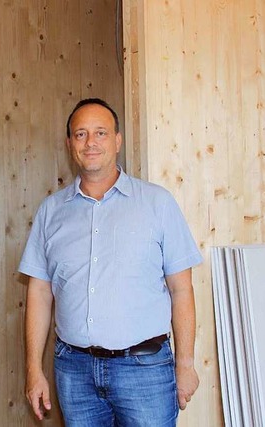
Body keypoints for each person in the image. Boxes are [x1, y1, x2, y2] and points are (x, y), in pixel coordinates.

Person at [19, 98, 202, 426]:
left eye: (101, 133)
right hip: (73, 371)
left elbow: (182, 290)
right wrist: (34, 368)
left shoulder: (157, 203)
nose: (91, 142)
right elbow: (39, 293)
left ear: (117, 140)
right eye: (81, 134)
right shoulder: (51, 211)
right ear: (69, 144)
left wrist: (186, 364)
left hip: (144, 372)